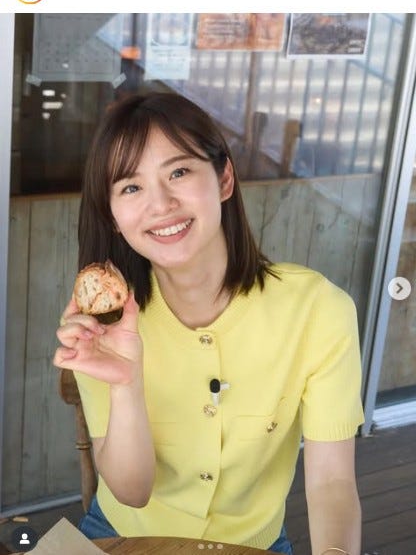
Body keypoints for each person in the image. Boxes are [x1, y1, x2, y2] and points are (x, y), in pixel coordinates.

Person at [54, 92, 364, 555]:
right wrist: (124, 383)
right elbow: (131, 492)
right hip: (124, 535)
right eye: (131, 187)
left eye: (179, 172)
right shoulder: (101, 325)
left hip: (253, 545)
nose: (161, 204)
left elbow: (333, 482)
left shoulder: (319, 311)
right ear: (113, 217)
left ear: (224, 179)